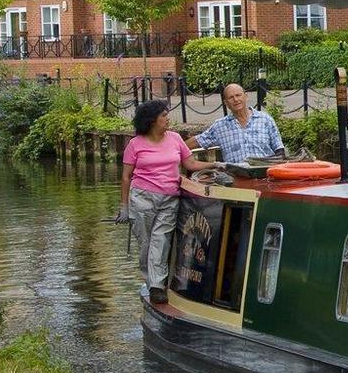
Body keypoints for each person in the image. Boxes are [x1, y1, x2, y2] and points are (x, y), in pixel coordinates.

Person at [121, 100, 205, 304]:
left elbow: (190, 163)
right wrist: (124, 207)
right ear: (152, 121)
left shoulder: (175, 138)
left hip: (170, 198)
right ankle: (150, 280)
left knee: (161, 241)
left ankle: (157, 286)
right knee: (146, 244)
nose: (168, 119)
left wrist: (218, 165)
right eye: (164, 116)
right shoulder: (135, 144)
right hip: (142, 199)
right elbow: (126, 176)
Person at [195, 81, 285, 164]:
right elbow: (197, 141)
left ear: (245, 96)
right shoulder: (220, 126)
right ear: (226, 102)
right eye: (231, 97)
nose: (235, 99)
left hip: (265, 174)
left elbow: (279, 151)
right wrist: (180, 145)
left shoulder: (265, 119)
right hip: (236, 176)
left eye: (238, 95)